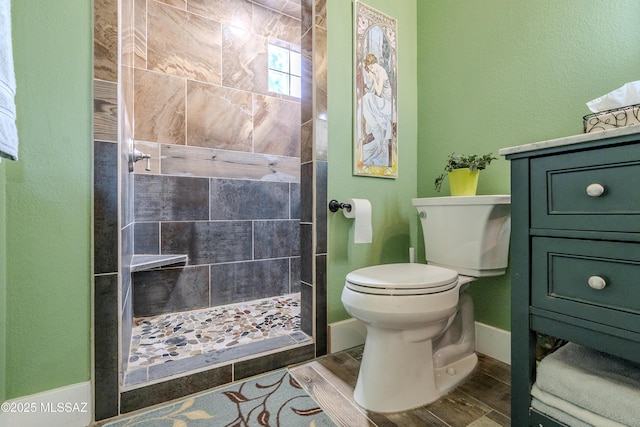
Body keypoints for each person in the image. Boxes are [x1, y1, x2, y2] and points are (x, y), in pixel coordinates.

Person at [361, 53, 393, 166]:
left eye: (371, 66)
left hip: (388, 105)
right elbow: (373, 93)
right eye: (369, 68)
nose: (371, 69)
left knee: (367, 98)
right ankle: (375, 136)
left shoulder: (382, 71)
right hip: (380, 103)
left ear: (374, 63)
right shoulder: (374, 72)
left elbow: (379, 92)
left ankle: (378, 132)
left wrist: (374, 78)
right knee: (365, 99)